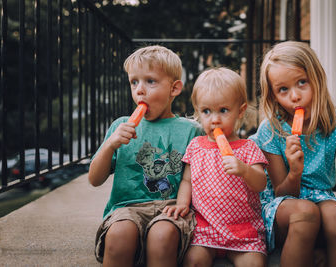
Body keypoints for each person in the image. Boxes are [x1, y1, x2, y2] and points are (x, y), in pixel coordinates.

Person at [249, 41, 336, 267]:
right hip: (283, 208)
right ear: (273, 96)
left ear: (317, 79)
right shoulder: (271, 131)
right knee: (306, 211)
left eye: (302, 82)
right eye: (283, 89)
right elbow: (281, 192)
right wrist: (294, 171)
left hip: (322, 199)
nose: (295, 96)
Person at [88, 45, 202, 267]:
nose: (140, 90)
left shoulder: (191, 130)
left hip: (172, 206)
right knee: (119, 235)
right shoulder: (120, 126)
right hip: (126, 207)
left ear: (174, 88)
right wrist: (110, 145)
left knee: (162, 236)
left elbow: (198, 178)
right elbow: (94, 179)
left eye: (150, 81)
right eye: (134, 82)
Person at [164, 67, 268, 267]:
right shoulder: (196, 146)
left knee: (255, 264)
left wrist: (245, 170)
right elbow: (187, 180)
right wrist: (182, 203)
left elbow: (261, 183)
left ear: (241, 111)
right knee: (193, 261)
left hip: (243, 230)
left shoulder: (248, 148)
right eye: (206, 111)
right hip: (205, 227)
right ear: (198, 113)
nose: (215, 119)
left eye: (223, 110)